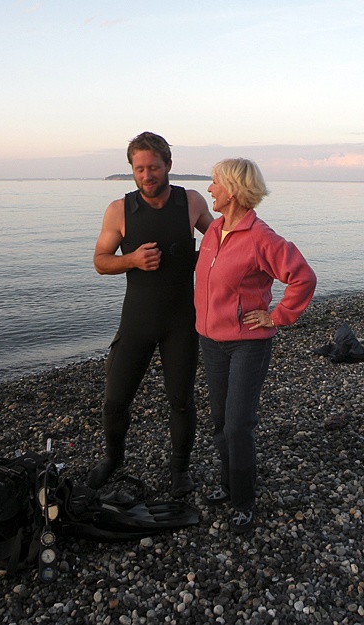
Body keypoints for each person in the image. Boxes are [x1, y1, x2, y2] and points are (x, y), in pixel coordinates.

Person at [87, 131, 213, 497]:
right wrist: (131, 260)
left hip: (181, 322)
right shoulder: (119, 210)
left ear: (168, 166)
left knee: (181, 400)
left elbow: (224, 241)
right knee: (115, 401)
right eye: (139, 168)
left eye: (153, 167)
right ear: (132, 170)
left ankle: (180, 470)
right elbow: (100, 261)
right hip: (137, 321)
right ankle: (113, 459)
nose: (147, 175)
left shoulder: (190, 202)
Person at [194, 158, 316, 533]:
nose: (210, 189)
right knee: (220, 422)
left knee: (238, 426)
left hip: (248, 345)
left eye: (215, 183)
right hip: (211, 342)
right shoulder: (214, 229)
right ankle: (228, 485)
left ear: (232, 189)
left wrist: (276, 316)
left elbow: (303, 277)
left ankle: (244, 501)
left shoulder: (261, 236)